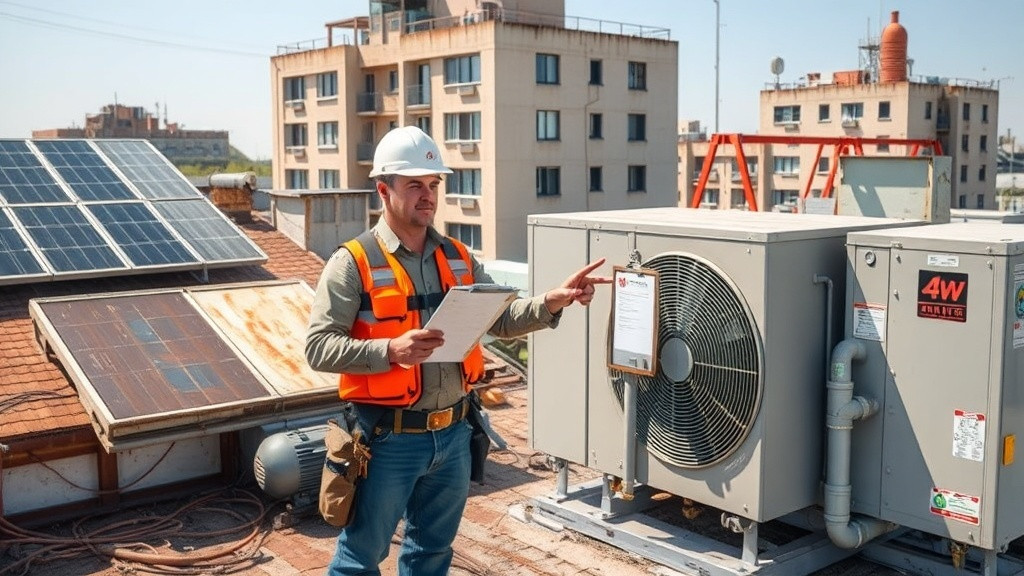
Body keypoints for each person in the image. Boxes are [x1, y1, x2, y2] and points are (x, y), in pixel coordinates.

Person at [306, 125, 609, 576]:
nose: (427, 196)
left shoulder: (459, 257)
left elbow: (499, 318)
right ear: (383, 190)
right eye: (414, 186)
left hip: (452, 434)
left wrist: (551, 300)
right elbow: (318, 347)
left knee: (432, 553)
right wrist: (390, 350)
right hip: (387, 441)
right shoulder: (352, 262)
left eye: (433, 185)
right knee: (359, 558)